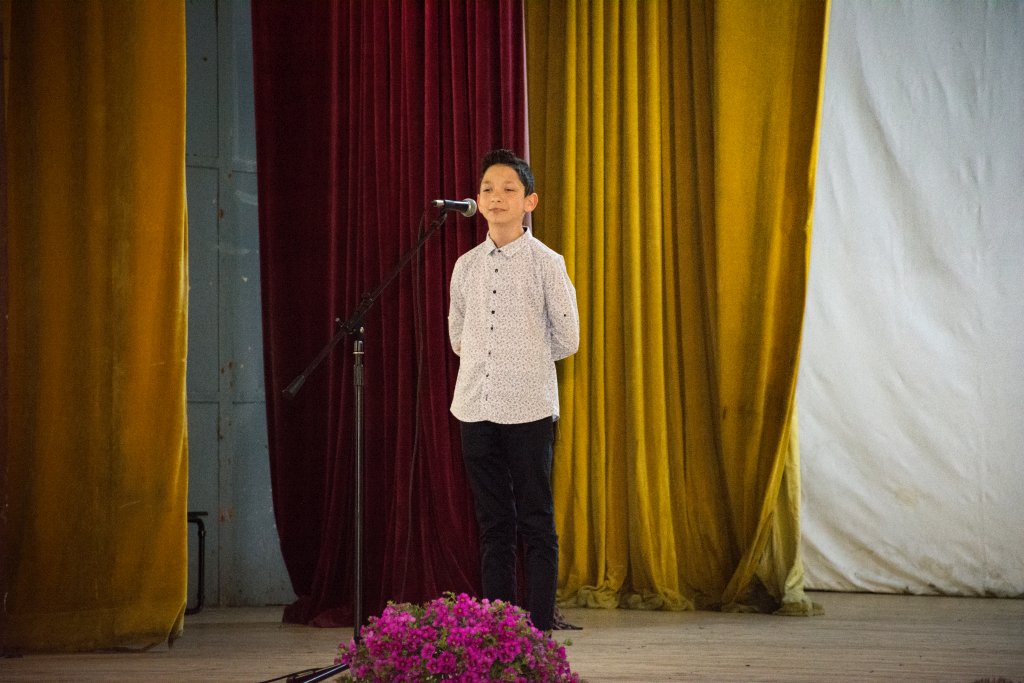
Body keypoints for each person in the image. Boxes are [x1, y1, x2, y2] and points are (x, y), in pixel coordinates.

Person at [448, 148, 580, 633]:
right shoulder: (465, 266)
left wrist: (523, 360)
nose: (496, 197)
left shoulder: (547, 263)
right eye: (488, 189)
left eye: (508, 189)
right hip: (474, 407)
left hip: (528, 408)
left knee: (536, 521)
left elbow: (568, 338)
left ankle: (539, 629)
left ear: (530, 201)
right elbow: (457, 335)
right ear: (478, 199)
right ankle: (498, 630)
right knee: (493, 524)